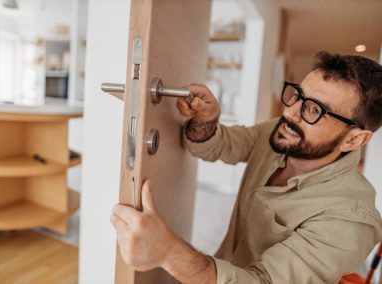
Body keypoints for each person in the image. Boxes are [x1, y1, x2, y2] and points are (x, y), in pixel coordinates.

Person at [110, 51, 382, 283]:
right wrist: (207, 120)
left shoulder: (350, 220)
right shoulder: (280, 135)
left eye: (314, 110)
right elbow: (217, 145)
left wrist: (168, 252)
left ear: (354, 138)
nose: (289, 112)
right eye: (298, 95)